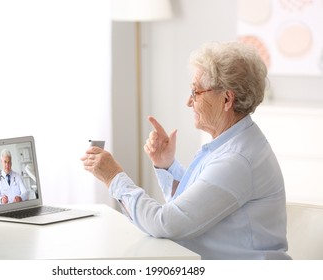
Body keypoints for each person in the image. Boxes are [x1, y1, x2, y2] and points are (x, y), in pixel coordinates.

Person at [81, 41, 291, 260]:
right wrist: (166, 164)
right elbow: (192, 206)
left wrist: (113, 177)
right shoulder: (232, 143)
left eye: (195, 91)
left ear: (227, 99)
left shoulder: (237, 160)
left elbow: (165, 223)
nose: (188, 101)